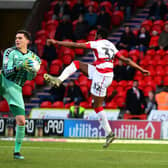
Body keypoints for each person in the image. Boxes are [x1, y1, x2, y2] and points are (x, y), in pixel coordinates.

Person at [44, 28, 150, 148]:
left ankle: (110, 133)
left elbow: (75, 45)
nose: (93, 37)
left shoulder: (96, 43)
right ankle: (59, 80)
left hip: (102, 76)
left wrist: (57, 42)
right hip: (102, 73)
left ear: (98, 36)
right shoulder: (111, 45)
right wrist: (141, 70)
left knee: (97, 106)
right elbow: (126, 60)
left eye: (95, 35)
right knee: (77, 64)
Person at [0, 30, 41, 159]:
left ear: (27, 41)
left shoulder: (34, 58)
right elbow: (6, 72)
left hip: (16, 88)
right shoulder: (9, 52)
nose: (17, 40)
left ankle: (17, 152)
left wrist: (32, 71)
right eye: (16, 38)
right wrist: (20, 65)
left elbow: (29, 77)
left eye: (20, 38)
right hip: (3, 81)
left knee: (22, 121)